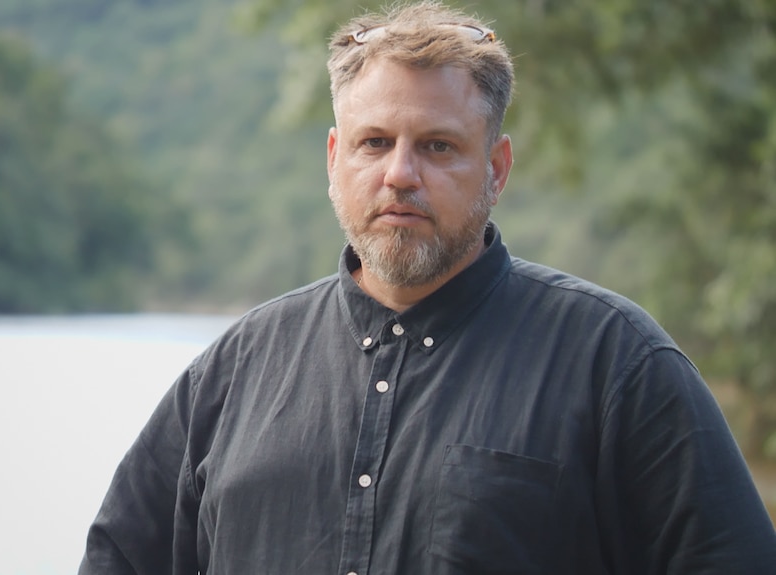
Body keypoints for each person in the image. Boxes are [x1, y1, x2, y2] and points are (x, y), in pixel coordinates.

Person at [79, 2, 776, 573]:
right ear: (334, 159)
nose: (400, 174)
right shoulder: (232, 374)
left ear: (497, 169)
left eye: (438, 146)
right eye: (374, 142)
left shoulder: (616, 365)